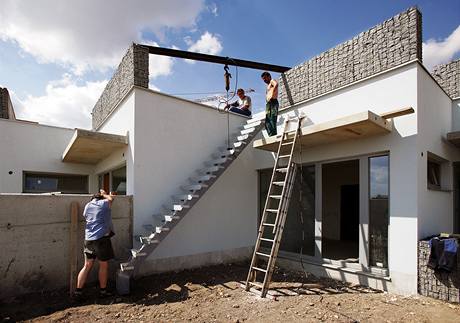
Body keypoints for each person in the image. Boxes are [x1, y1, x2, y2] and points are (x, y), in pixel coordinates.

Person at [74, 189, 115, 300]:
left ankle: (78, 292)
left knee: (87, 265)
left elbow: (86, 216)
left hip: (88, 239)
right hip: (101, 239)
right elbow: (111, 199)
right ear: (101, 198)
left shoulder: (88, 205)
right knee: (103, 265)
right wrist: (105, 194)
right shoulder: (103, 203)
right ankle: (103, 292)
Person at [261, 71, 279, 136]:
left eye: (265, 78)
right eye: (263, 79)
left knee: (272, 119)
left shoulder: (272, 81)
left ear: (269, 77)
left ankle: (273, 134)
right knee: (267, 121)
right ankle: (271, 134)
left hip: (273, 102)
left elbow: (276, 84)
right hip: (268, 104)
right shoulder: (268, 86)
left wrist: (272, 93)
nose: (264, 80)